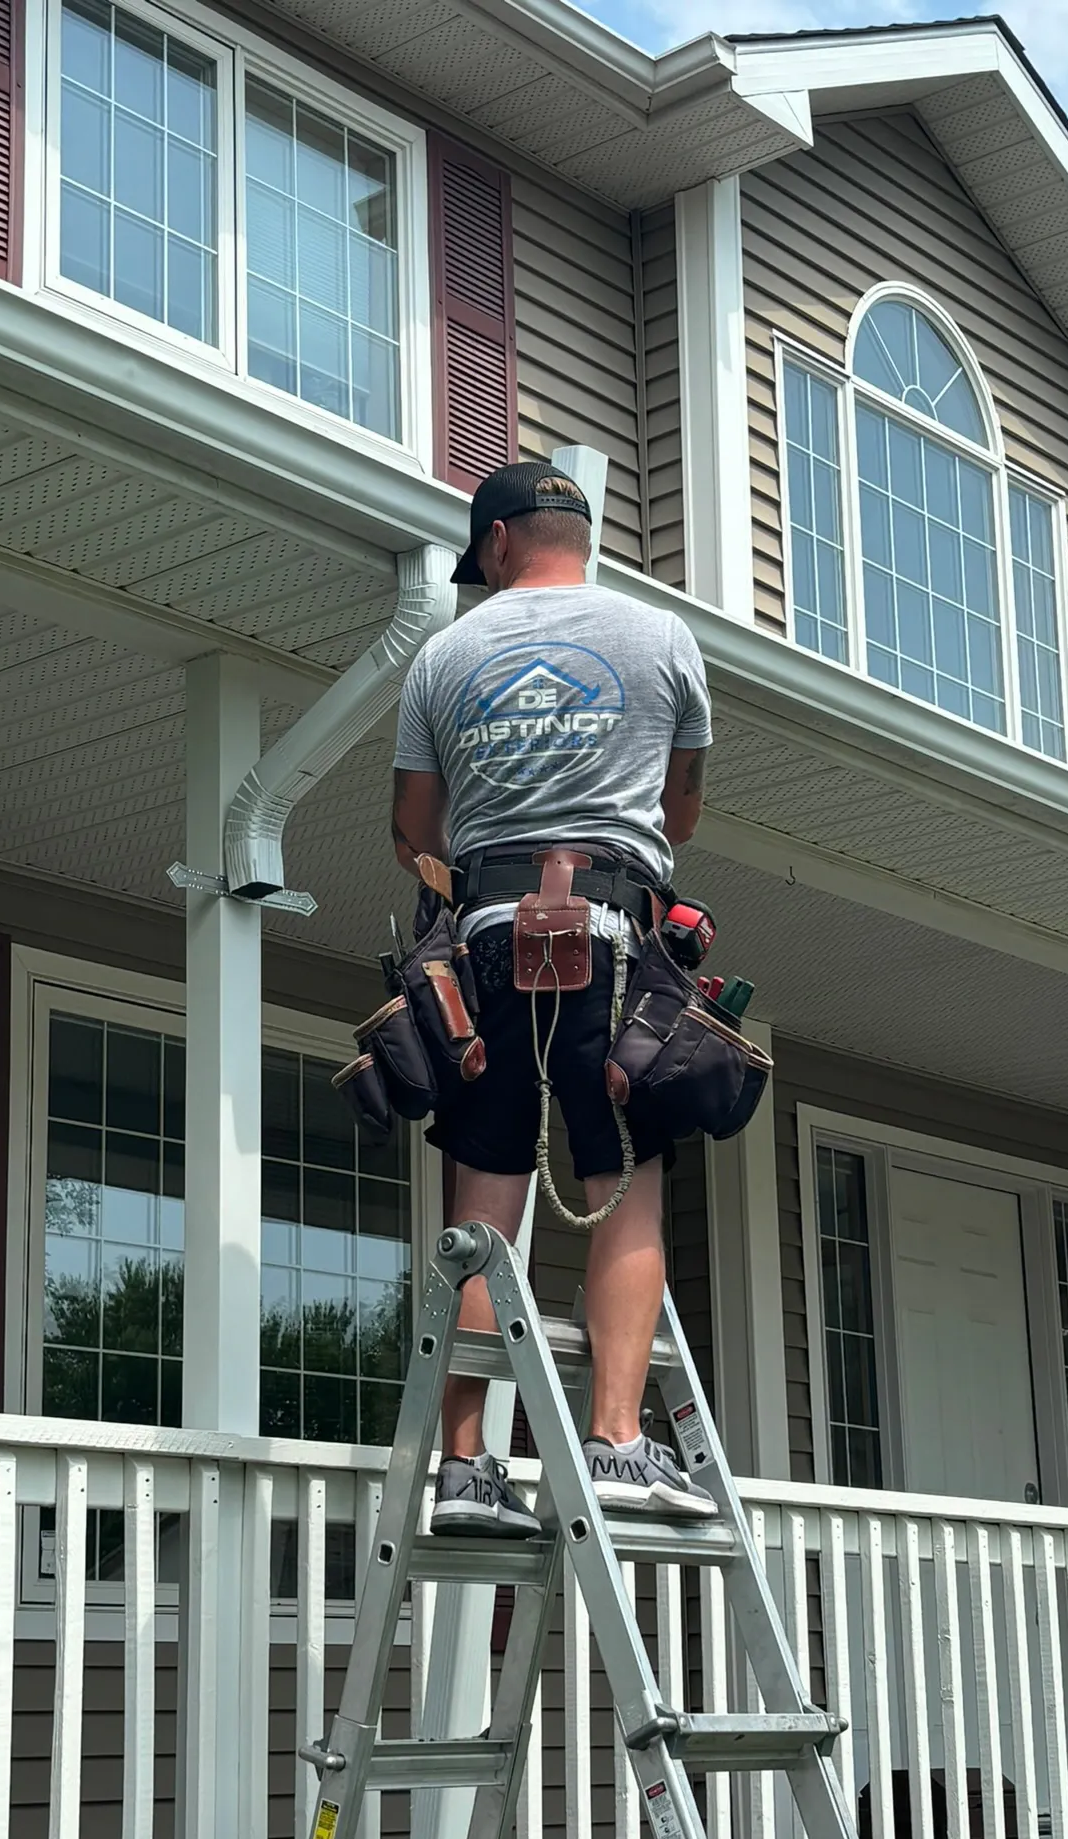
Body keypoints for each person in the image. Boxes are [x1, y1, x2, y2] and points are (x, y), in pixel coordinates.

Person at [391, 460, 717, 1536]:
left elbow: (414, 826)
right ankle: (619, 1442)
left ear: (494, 545)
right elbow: (679, 806)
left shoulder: (443, 656)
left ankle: (466, 1467)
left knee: (482, 1210)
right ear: (580, 536)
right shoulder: (661, 637)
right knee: (621, 1184)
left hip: (481, 950)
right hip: (618, 948)